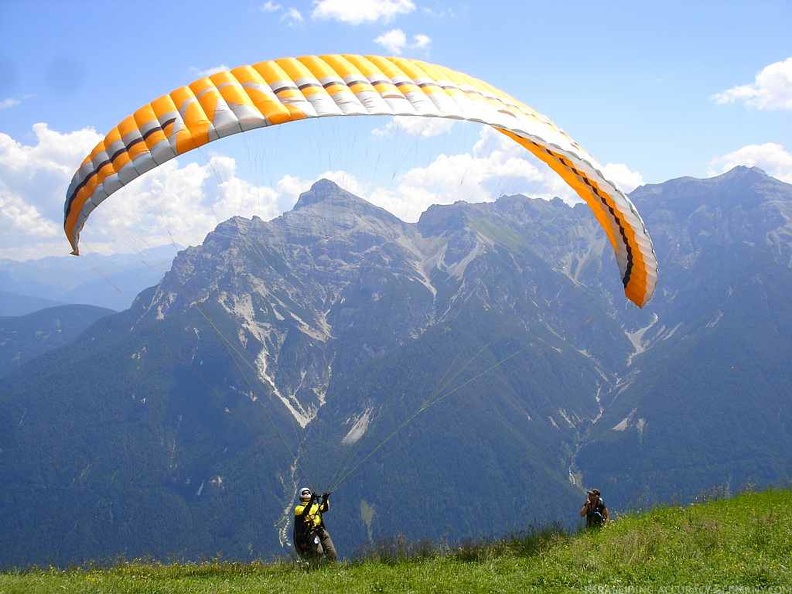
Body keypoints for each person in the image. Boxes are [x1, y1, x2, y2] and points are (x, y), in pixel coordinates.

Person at [293, 487, 337, 562]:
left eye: (308, 492)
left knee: (331, 552)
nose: (307, 494)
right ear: (301, 496)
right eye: (304, 493)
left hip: (320, 530)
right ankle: (314, 565)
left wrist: (325, 499)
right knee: (318, 552)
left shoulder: (316, 505)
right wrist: (311, 501)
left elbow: (325, 509)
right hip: (309, 532)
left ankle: (330, 565)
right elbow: (305, 512)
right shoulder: (298, 508)